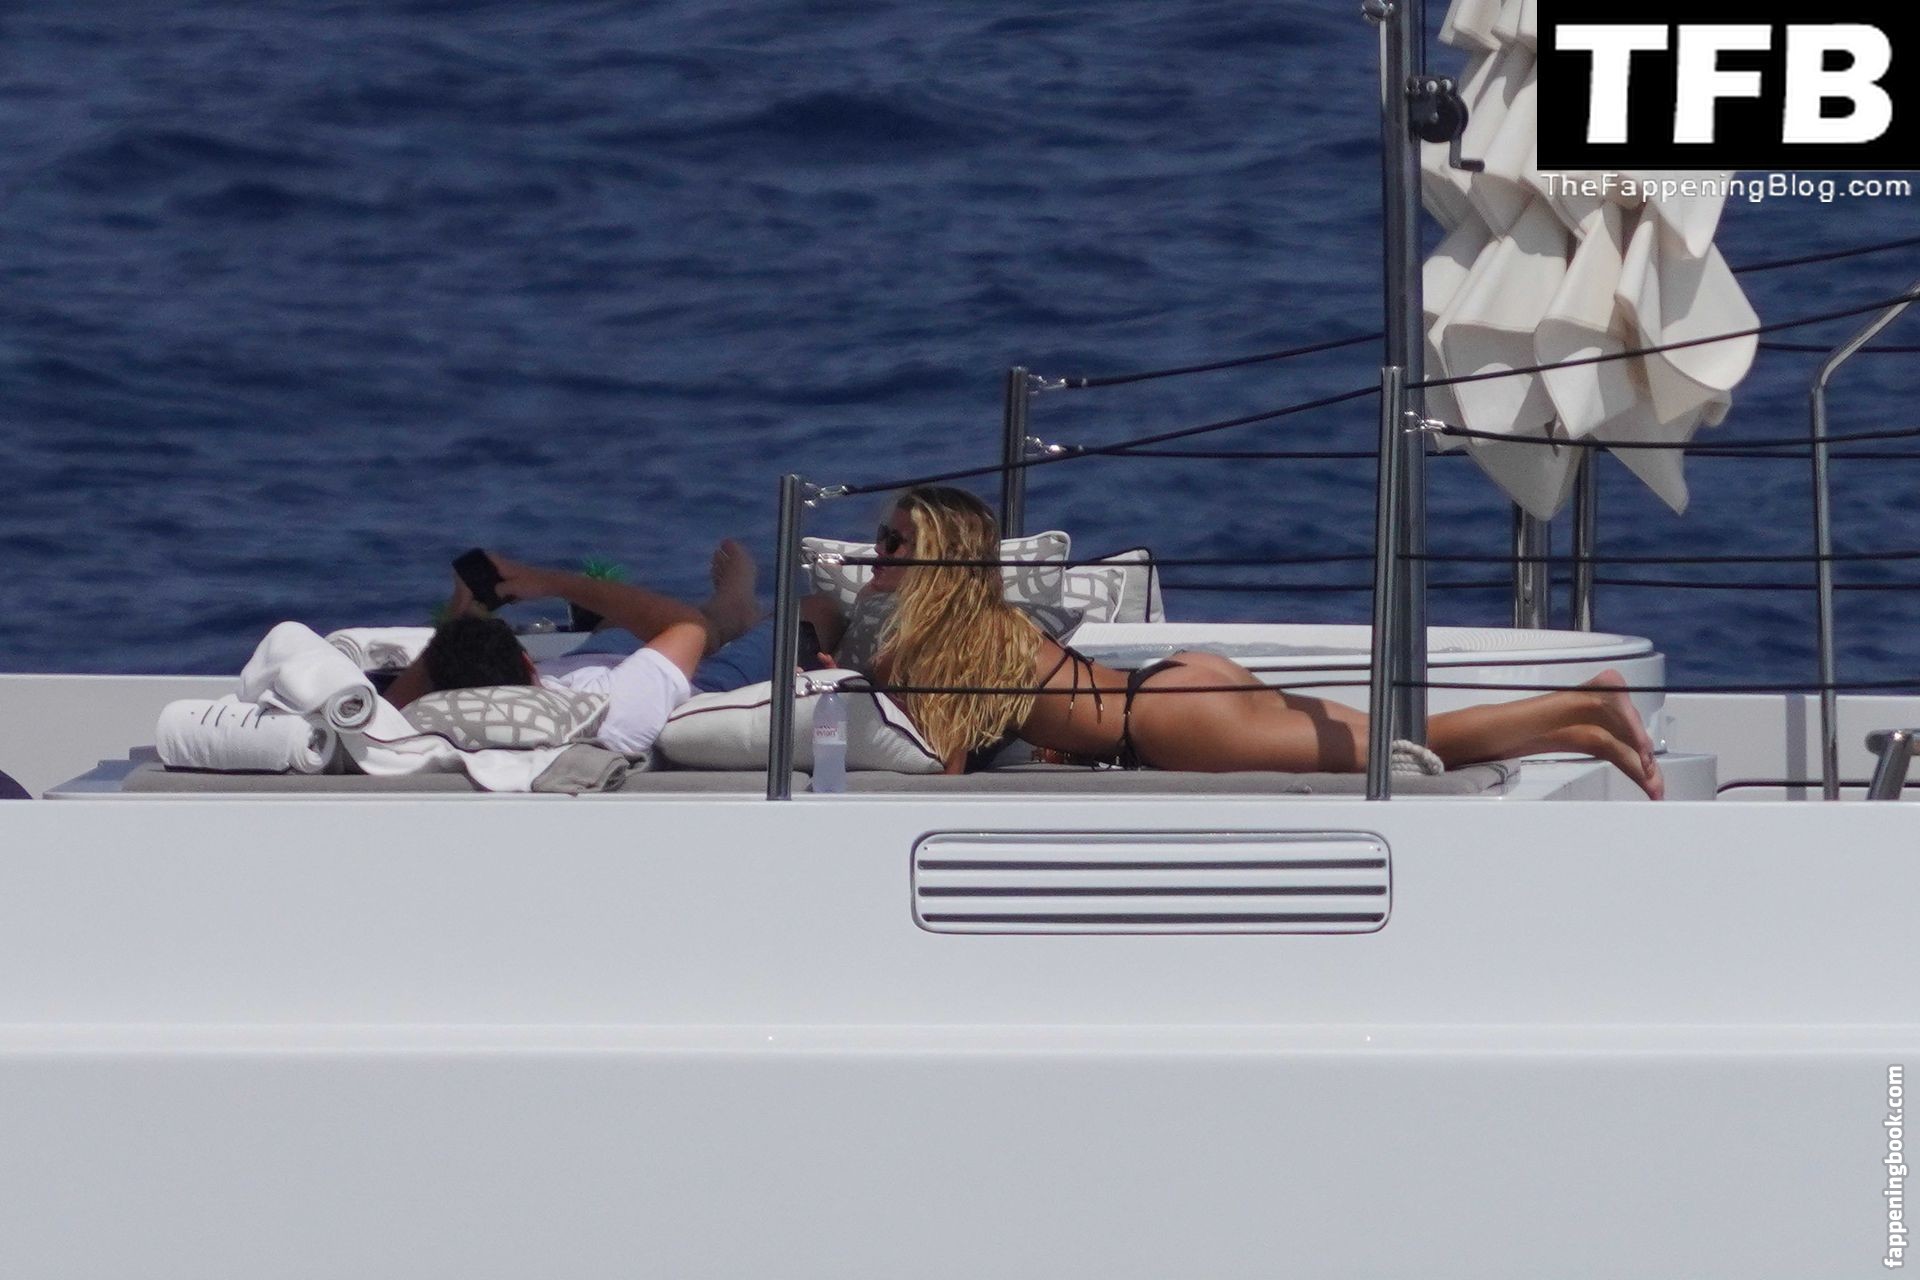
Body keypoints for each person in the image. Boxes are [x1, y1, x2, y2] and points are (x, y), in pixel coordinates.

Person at [860, 485, 1665, 798]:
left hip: (1165, 723)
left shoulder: (938, 650)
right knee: (1398, 739)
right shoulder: (983, 628)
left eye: (894, 543)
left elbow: (942, 773)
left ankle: (1584, 704)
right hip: (1177, 683)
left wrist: (852, 659)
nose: (877, 554)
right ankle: (1587, 730)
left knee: (1417, 749)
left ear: (937, 557)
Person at [384, 541, 765, 755]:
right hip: (694, 681)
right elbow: (689, 627)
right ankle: (735, 605)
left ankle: (731, 613)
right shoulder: (607, 717)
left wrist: (460, 623)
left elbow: (392, 704)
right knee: (789, 621)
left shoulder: (406, 727)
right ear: (527, 664)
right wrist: (548, 582)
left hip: (586, 661)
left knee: (617, 627)